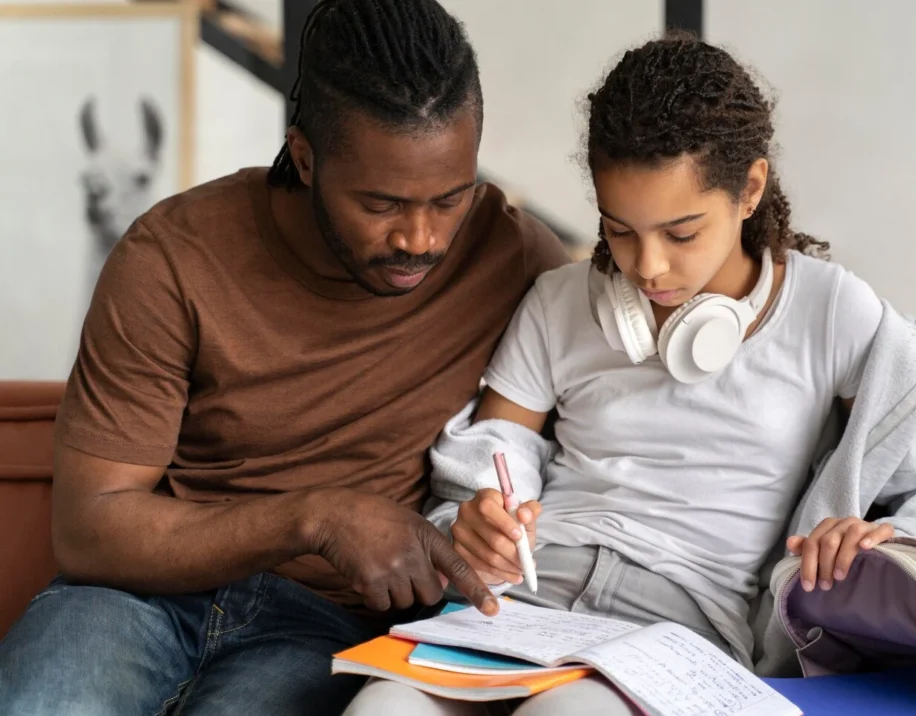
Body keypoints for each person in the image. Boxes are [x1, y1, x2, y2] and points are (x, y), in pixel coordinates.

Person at [342, 32, 916, 716]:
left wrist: (891, 540)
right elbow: (490, 452)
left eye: (681, 234)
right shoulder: (561, 301)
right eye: (619, 231)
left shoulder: (833, 313)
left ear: (750, 189)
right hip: (525, 601)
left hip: (680, 627)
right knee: (378, 708)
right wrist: (481, 520)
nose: (647, 267)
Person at [0, 2, 572, 714]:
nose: (420, 238)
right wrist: (316, 519)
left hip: (323, 626)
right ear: (304, 158)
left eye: (450, 198)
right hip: (134, 599)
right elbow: (89, 528)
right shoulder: (172, 258)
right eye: (382, 204)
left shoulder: (515, 260)